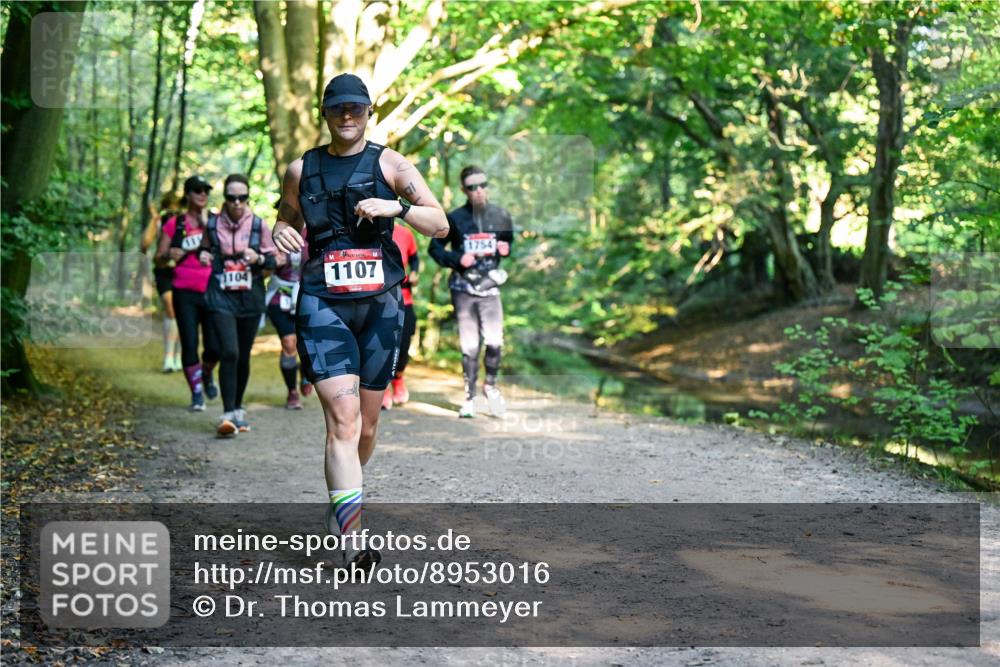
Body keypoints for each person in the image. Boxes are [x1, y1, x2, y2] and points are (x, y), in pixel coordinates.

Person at [271, 73, 448, 568]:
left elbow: (441, 222)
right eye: (337, 108)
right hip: (323, 302)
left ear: (369, 112)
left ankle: (342, 493)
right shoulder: (300, 168)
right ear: (324, 114)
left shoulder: (391, 163)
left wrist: (398, 206)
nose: (346, 116)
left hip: (381, 306)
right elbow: (287, 217)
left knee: (366, 427)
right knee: (343, 424)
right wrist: (281, 231)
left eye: (356, 108)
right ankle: (351, 537)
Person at [429, 165, 513, 418]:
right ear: (464, 190)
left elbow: (508, 244)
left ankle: (491, 387)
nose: (479, 191)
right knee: (470, 346)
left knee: (496, 342)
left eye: (483, 185)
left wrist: (504, 247)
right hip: (463, 289)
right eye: (473, 187)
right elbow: (434, 249)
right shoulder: (454, 218)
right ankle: (470, 397)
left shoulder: (501, 215)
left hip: (490, 288)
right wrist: (457, 258)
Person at [198, 174, 278, 437]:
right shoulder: (212, 224)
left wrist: (257, 257)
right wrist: (204, 255)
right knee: (229, 351)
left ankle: (239, 409)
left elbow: (274, 260)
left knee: (243, 354)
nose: (236, 202)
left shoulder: (258, 225)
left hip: (251, 295)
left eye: (241, 197)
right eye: (231, 198)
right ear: (225, 198)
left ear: (248, 197)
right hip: (220, 295)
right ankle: (228, 412)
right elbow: (204, 249)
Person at [156, 176, 220, 411]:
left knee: (216, 346)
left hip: (213, 291)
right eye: (197, 190)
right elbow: (158, 259)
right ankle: (196, 392)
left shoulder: (216, 221)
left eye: (206, 190)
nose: (202, 194)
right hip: (184, 292)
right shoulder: (175, 223)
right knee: (190, 343)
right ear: (187, 194)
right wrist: (167, 256)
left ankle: (206, 373)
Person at [264, 226, 310, 410]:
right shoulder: (276, 233)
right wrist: (271, 263)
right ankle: (292, 391)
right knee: (289, 343)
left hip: (309, 296)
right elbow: (263, 270)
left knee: (308, 344)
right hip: (279, 298)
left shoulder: (319, 227)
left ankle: (307, 373)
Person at [142, 192, 183, 373]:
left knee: (184, 312)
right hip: (164, 270)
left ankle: (179, 356)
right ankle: (168, 357)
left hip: (184, 270)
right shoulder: (160, 221)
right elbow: (144, 244)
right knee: (170, 307)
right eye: (170, 209)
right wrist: (155, 220)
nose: (173, 212)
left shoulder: (187, 222)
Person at [382, 223, 420, 409]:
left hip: (405, 298)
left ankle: (399, 378)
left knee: (404, 342)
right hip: (378, 299)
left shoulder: (404, 233)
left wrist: (415, 273)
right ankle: (383, 387)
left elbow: (414, 258)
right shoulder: (364, 230)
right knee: (382, 342)